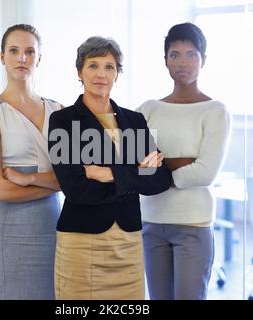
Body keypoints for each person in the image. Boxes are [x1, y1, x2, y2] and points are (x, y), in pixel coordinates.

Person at [48, 36, 172, 300]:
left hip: (128, 241)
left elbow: (160, 179)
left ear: (118, 74)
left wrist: (105, 173)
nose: (101, 74)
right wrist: (134, 173)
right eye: (93, 66)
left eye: (109, 66)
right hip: (81, 241)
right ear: (79, 72)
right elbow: (75, 188)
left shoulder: (134, 120)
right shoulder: (63, 121)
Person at [137, 22, 231, 300]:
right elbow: (132, 165)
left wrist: (157, 168)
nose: (183, 62)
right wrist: (184, 161)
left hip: (193, 224)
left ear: (204, 59)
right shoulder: (147, 109)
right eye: (174, 54)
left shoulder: (215, 111)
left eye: (191, 54)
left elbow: (205, 173)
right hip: (151, 223)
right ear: (165, 60)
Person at [0, 24, 63, 300]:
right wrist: (55, 185)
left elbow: (71, 176)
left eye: (29, 51)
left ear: (39, 58)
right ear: (3, 57)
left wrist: (30, 178)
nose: (22, 58)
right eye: (14, 51)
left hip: (50, 227)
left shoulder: (58, 111)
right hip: (5, 231)